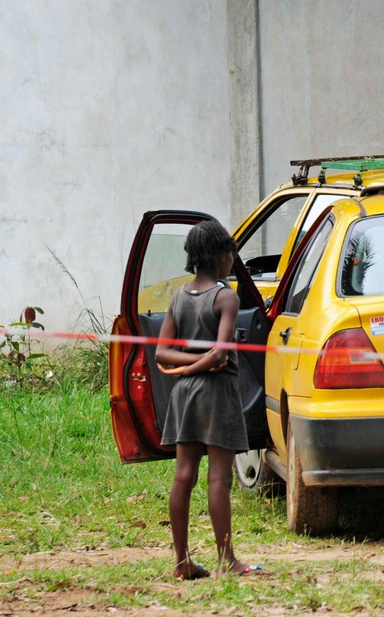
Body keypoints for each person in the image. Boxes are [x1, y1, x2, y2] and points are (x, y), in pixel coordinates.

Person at [155, 219, 264, 579]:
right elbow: (219, 354)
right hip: (217, 394)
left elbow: (163, 354)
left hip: (183, 396)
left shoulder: (178, 297)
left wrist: (186, 369)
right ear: (221, 256)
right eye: (231, 253)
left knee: (183, 475)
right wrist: (201, 365)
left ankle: (182, 562)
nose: (233, 260)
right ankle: (227, 560)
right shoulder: (226, 297)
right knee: (219, 478)